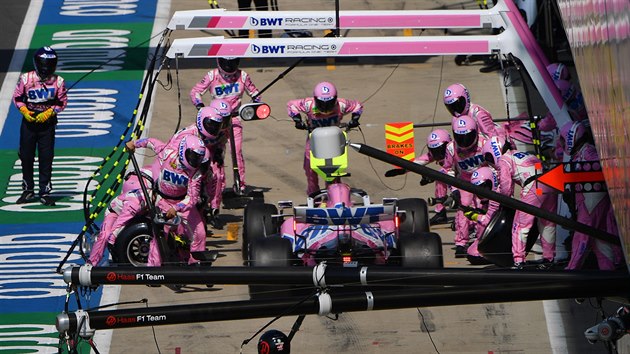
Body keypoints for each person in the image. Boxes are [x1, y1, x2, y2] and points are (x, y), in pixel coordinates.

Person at [126, 135, 209, 266]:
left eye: (198, 157)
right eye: (193, 156)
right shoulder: (168, 152)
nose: (195, 160)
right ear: (183, 150)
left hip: (182, 205)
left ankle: (195, 264)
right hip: (162, 200)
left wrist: (176, 209)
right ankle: (153, 270)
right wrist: (134, 144)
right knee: (159, 234)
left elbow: (192, 198)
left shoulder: (196, 173)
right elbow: (151, 142)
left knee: (199, 232)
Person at [476, 136, 558, 269]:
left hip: (534, 188)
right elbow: (538, 165)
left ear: (494, 151)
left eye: (489, 158)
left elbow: (506, 185)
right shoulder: (522, 154)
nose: (491, 163)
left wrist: (504, 201)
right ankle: (549, 258)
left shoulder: (504, 159)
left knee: (520, 225)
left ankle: (518, 260)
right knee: (547, 223)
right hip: (549, 183)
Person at [556, 121, 622, 270]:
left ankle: (572, 271)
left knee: (582, 236)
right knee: (600, 242)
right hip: (591, 202)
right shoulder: (583, 152)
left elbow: (602, 168)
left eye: (563, 139)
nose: (562, 143)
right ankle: (609, 274)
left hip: (590, 203)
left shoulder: (588, 152)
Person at [190, 57, 261, 194]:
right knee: (215, 154)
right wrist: (200, 107)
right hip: (215, 122)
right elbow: (195, 92)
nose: (229, 66)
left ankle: (240, 184)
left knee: (237, 151)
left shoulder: (243, 76)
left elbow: (256, 94)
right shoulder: (212, 75)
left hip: (234, 118)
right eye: (226, 62)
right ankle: (215, 186)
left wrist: (253, 105)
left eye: (232, 62)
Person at [13, 46, 68, 206]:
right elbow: (17, 98)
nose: (46, 67)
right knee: (26, 156)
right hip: (29, 124)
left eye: (49, 64)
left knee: (46, 157)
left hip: (47, 125)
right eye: (43, 63)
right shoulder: (25, 79)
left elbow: (62, 102)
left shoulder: (59, 81)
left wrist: (50, 112)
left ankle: (45, 191)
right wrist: (24, 110)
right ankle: (28, 189)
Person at [287, 81, 363, 195]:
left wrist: (355, 119)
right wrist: (297, 119)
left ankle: (334, 195)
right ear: (316, 99)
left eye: (330, 103)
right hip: (314, 141)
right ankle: (314, 197)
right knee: (310, 170)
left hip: (334, 141)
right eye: (322, 103)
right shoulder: (308, 104)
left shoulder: (341, 104)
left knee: (334, 171)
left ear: (335, 99)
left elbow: (358, 105)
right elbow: (291, 105)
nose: (326, 107)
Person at [441, 115, 489, 258]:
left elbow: (495, 165)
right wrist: (454, 189)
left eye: (468, 136)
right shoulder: (451, 148)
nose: (464, 141)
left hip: (484, 182)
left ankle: (482, 239)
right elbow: (448, 169)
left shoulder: (485, 143)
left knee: (483, 210)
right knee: (463, 209)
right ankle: (461, 243)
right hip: (464, 183)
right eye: (460, 137)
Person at [384, 129, 452, 225]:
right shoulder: (437, 153)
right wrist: (403, 169)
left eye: (440, 150)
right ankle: (440, 213)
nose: (438, 154)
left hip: (470, 177)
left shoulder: (457, 152)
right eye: (434, 151)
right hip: (454, 177)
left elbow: (456, 171)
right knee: (440, 181)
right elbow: (419, 162)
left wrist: (433, 176)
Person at [88, 170, 154, 266]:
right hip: (115, 214)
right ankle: (91, 263)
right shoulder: (134, 204)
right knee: (106, 235)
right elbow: (120, 223)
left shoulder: (151, 195)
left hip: (135, 213)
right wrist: (112, 240)